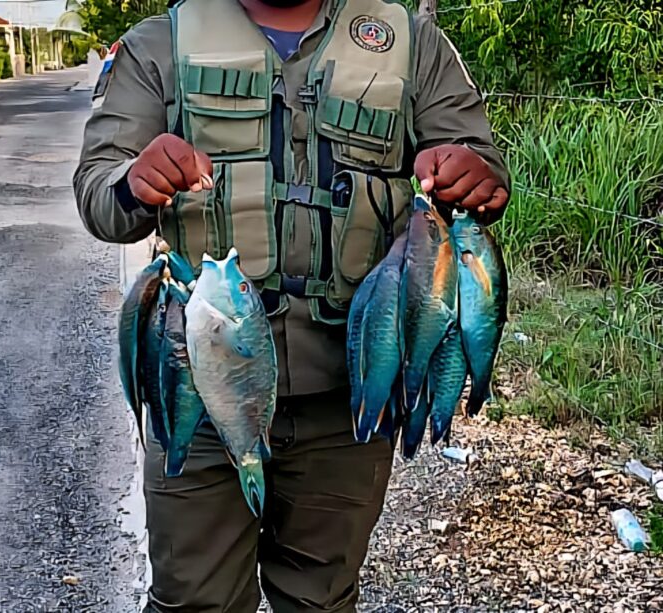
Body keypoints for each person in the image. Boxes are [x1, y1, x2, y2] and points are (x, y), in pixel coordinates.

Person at [73, 0, 510, 611]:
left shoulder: (412, 42)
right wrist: (134, 184)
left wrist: (474, 176)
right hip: (199, 397)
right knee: (193, 600)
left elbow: (483, 168)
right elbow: (99, 194)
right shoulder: (159, 43)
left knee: (321, 600)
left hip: (349, 401)